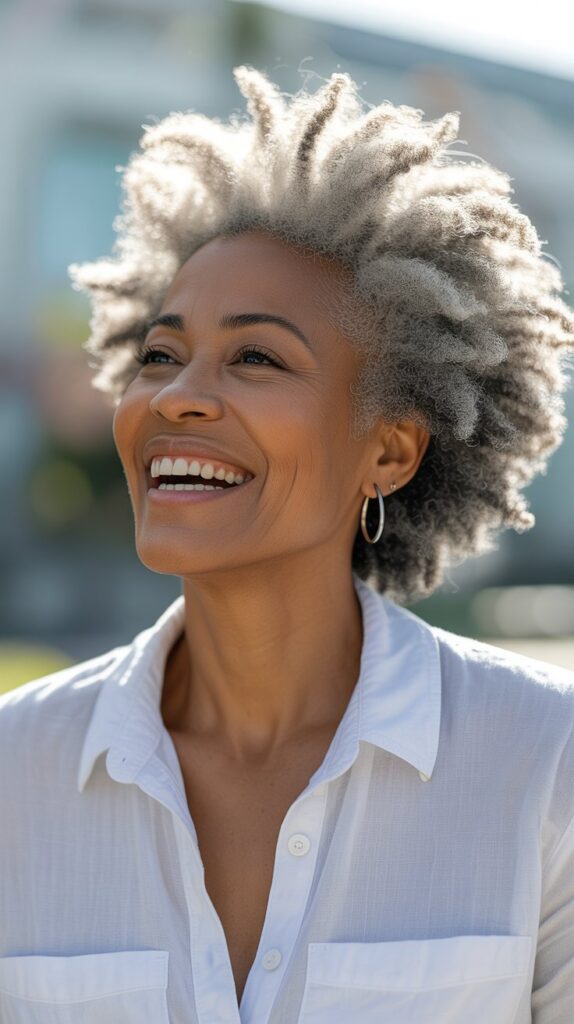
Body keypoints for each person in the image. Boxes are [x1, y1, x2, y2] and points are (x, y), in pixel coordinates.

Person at [1, 65, 573, 1024]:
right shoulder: (14, 777)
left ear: (389, 450)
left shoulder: (548, 764)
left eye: (257, 357)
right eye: (160, 354)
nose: (178, 395)